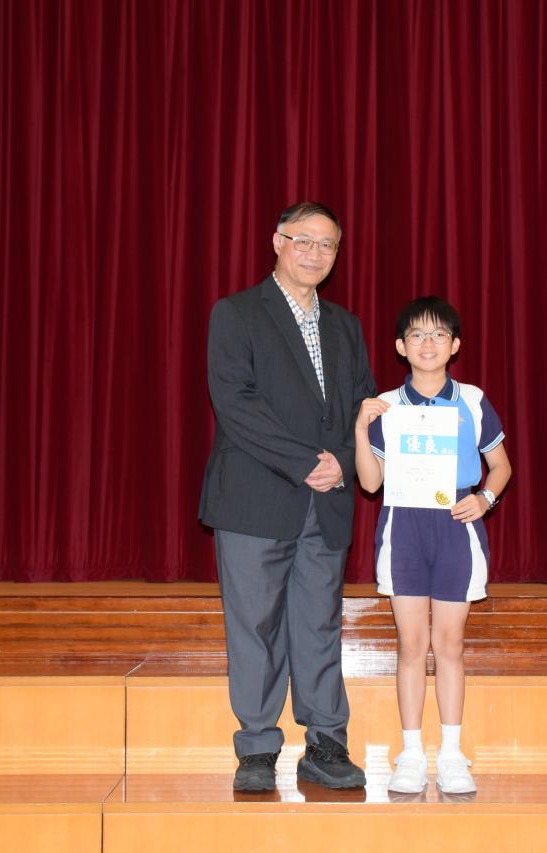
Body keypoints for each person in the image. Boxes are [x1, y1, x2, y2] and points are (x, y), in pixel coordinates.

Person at [199, 202, 377, 793]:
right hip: (255, 497)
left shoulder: (346, 326)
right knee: (254, 625)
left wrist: (345, 460)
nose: (315, 253)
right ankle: (256, 748)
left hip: (326, 503)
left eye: (328, 245)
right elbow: (236, 403)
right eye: (304, 240)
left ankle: (326, 742)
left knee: (320, 623)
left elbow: (364, 406)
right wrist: (306, 464)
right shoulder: (237, 314)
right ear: (278, 242)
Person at [354, 296, 512, 795]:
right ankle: (410, 753)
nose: (428, 343)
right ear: (401, 347)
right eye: (417, 335)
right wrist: (359, 428)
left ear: (455, 345)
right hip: (404, 529)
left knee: (449, 645)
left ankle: (451, 754)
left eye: (439, 334)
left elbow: (501, 466)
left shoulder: (473, 400)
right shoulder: (386, 406)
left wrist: (485, 499)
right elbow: (371, 483)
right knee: (411, 645)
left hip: (455, 530)